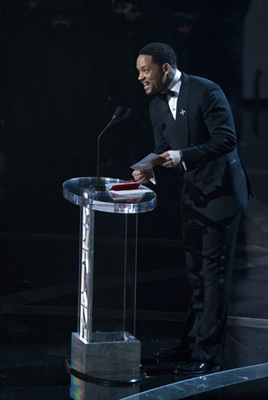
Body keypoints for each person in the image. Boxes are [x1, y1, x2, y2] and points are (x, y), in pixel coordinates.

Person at [133, 42, 250, 375]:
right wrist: (147, 167)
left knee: (214, 276)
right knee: (196, 275)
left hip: (221, 195)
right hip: (193, 197)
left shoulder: (205, 91)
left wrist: (181, 156)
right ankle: (190, 343)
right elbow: (161, 149)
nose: (140, 77)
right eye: (139, 71)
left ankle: (208, 354)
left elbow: (226, 140)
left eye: (145, 70)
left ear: (165, 68)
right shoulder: (156, 104)